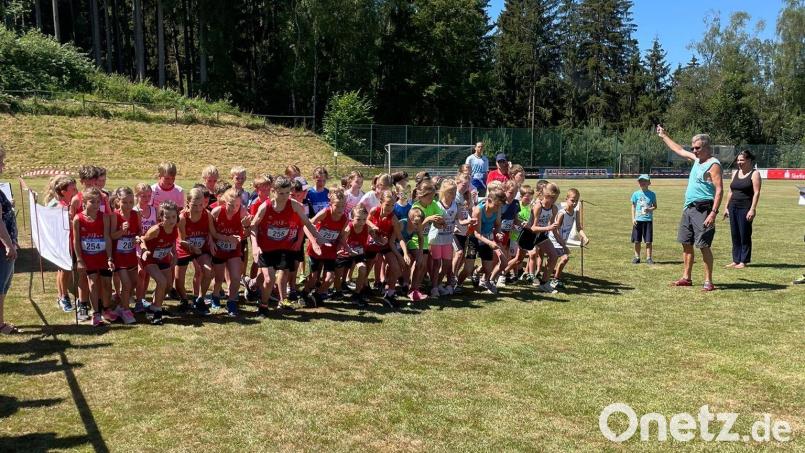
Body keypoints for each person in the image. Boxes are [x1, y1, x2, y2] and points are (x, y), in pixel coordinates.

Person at [657, 126, 723, 292]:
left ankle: (708, 281)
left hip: (703, 209)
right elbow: (679, 149)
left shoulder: (713, 164)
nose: (694, 151)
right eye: (693, 148)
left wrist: (713, 213)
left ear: (707, 147)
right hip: (689, 208)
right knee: (686, 243)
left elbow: (719, 190)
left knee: (703, 245)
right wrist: (664, 136)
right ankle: (686, 278)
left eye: (697, 148)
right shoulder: (696, 159)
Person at [251, 176, 323, 315]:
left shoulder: (294, 205)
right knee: (269, 279)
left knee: (284, 274)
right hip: (266, 248)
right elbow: (253, 226)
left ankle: (281, 300)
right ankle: (263, 305)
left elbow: (306, 222)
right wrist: (255, 246)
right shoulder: (265, 206)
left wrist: (318, 237)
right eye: (281, 193)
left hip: (284, 247)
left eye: (287, 193)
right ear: (273, 191)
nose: (284, 197)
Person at [72, 187, 111, 327]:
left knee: (107, 284)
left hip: (103, 256)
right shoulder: (78, 218)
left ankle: (106, 309)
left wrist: (110, 258)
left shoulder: (104, 217)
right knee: (93, 283)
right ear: (84, 202)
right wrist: (79, 260)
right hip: (88, 258)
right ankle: (96, 313)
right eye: (92, 202)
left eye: (98, 202)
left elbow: (107, 238)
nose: (95, 205)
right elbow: (76, 241)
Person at [210, 188, 251, 316]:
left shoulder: (242, 212)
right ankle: (215, 296)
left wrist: (245, 227)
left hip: (234, 249)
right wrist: (212, 242)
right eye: (231, 205)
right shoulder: (217, 211)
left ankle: (232, 301)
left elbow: (247, 234)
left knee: (236, 276)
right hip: (219, 249)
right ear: (224, 202)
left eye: (237, 205)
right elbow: (209, 230)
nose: (234, 208)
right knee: (218, 278)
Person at [139, 201, 180, 325]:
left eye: (174, 217)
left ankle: (154, 305)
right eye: (167, 217)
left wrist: (175, 254)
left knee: (168, 285)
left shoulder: (175, 227)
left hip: (163, 258)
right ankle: (156, 312)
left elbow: (172, 241)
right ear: (161, 217)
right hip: (150, 259)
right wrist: (145, 250)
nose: (171, 220)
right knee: (162, 281)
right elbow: (142, 238)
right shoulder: (156, 229)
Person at [175, 188, 215, 315]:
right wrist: (192, 249)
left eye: (201, 205)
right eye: (194, 205)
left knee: (208, 271)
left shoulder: (207, 214)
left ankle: (200, 299)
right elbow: (182, 240)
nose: (198, 208)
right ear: (188, 203)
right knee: (179, 279)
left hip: (200, 248)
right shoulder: (182, 217)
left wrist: (213, 240)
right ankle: (184, 300)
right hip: (184, 248)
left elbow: (212, 232)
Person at [723, 150, 762, 269]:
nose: (739, 162)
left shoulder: (755, 174)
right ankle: (736, 260)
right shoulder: (735, 173)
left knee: (744, 234)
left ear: (749, 160)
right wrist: (726, 207)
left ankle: (743, 260)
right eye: (738, 160)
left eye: (742, 160)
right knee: (735, 234)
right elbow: (730, 191)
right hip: (733, 207)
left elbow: (756, 192)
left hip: (745, 207)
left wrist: (752, 209)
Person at [107, 187, 139, 324]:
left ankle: (120, 307)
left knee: (134, 283)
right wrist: (121, 231)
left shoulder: (136, 214)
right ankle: (126, 310)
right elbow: (112, 236)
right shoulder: (115, 216)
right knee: (126, 284)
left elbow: (139, 231)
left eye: (131, 202)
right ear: (118, 201)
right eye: (125, 202)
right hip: (119, 256)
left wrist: (138, 238)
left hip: (131, 255)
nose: (128, 205)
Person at [46, 175, 77, 312]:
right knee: (65, 270)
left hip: (71, 242)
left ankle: (62, 296)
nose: (76, 191)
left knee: (64, 270)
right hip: (64, 244)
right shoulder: (59, 206)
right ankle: (63, 296)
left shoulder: (70, 204)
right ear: (63, 192)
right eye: (73, 189)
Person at [0, 145, 19, 334]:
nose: (2, 167)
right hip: (1, 246)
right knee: (0, 285)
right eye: (0, 163)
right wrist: (8, 245)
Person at [630, 174, 657, 265]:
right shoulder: (635, 194)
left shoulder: (652, 194)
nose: (642, 183)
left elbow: (655, 206)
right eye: (641, 181)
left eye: (645, 181)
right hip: (638, 220)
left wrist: (649, 209)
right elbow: (633, 206)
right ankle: (637, 257)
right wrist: (633, 218)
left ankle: (649, 258)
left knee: (648, 241)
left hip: (648, 220)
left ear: (649, 183)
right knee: (637, 240)